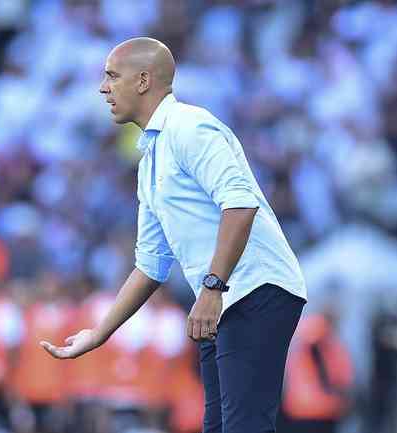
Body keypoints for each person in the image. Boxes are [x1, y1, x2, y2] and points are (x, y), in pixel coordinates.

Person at [40, 37, 308, 433]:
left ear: (144, 80)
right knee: (217, 427)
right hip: (221, 297)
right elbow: (150, 265)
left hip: (253, 288)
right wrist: (99, 334)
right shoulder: (150, 156)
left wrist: (213, 287)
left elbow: (240, 203)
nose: (102, 88)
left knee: (243, 426)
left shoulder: (190, 127)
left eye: (112, 76)